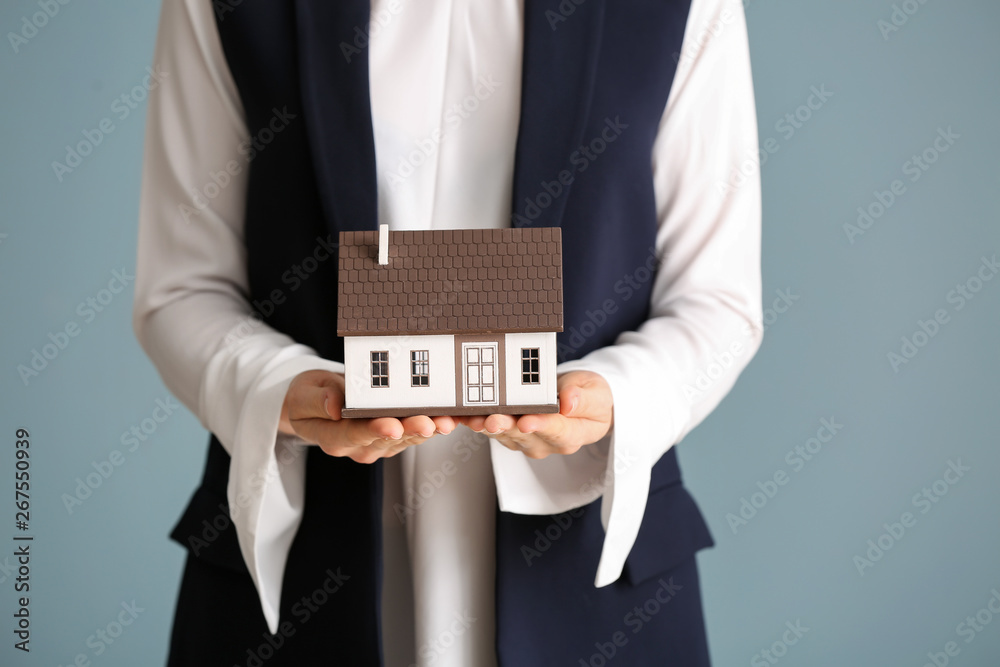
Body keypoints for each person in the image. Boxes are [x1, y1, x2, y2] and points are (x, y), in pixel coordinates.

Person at [133, 0, 762, 664]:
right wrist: (279, 389)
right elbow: (182, 288)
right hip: (303, 581)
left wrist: (611, 395)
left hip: (591, 581)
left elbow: (718, 300)